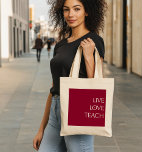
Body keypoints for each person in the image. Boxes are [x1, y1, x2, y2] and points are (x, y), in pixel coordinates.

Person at [33, 0, 107, 151]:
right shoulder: (61, 45)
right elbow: (54, 87)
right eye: (66, 10)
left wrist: (87, 57)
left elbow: (95, 86)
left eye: (76, 9)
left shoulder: (94, 41)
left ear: (87, 11)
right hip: (55, 111)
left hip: (77, 110)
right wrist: (41, 128)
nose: (71, 14)